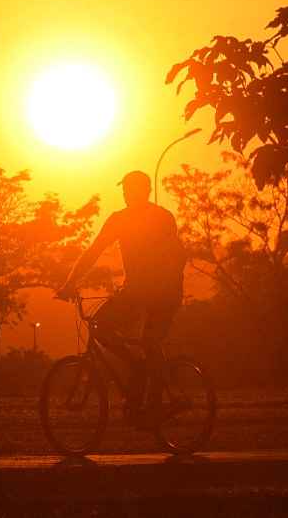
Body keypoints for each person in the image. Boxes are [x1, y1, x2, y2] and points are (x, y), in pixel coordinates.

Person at [57, 170, 185, 426]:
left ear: (143, 190)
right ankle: (141, 379)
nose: (126, 194)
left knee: (141, 339)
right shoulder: (132, 218)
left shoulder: (151, 218)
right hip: (146, 291)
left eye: (129, 189)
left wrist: (70, 284)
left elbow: (177, 255)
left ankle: (154, 399)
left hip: (157, 292)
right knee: (120, 332)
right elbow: (94, 251)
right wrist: (71, 282)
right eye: (125, 189)